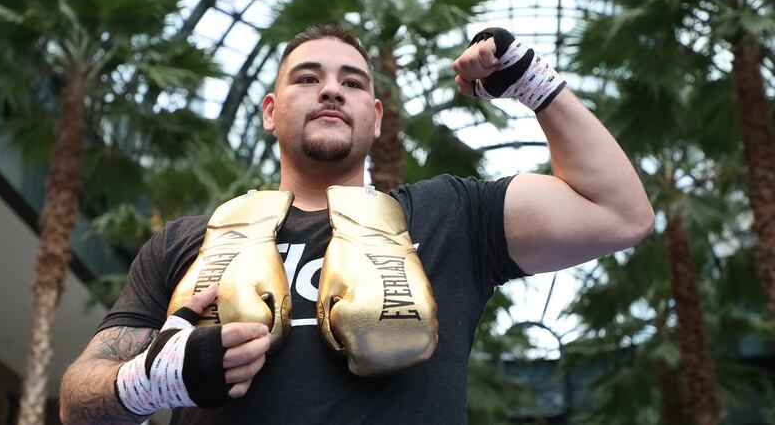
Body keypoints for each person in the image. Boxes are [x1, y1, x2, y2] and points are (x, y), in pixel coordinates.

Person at [59, 24, 653, 424]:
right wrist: (152, 380)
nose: (331, 91)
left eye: (352, 82)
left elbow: (619, 213)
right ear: (269, 112)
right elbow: (76, 397)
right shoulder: (189, 241)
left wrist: (529, 80)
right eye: (307, 78)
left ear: (375, 117)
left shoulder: (451, 214)